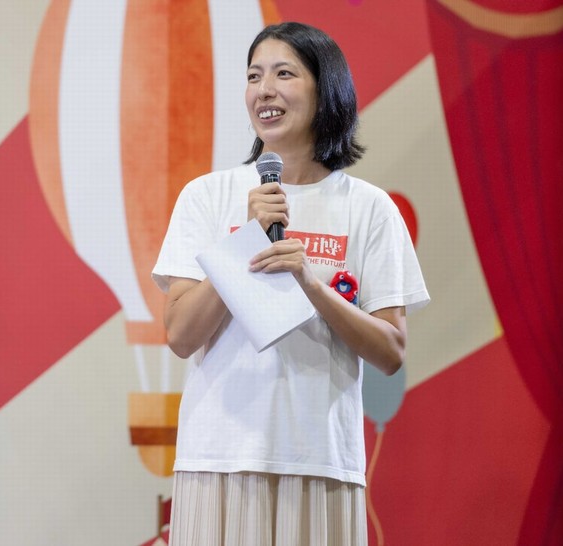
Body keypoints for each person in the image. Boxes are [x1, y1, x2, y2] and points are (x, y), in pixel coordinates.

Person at [152, 21, 429, 546]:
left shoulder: (369, 208)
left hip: (320, 462)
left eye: (284, 74)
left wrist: (309, 283)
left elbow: (391, 351)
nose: (264, 90)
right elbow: (181, 335)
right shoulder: (206, 196)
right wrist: (245, 243)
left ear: (326, 91)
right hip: (218, 458)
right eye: (254, 76)